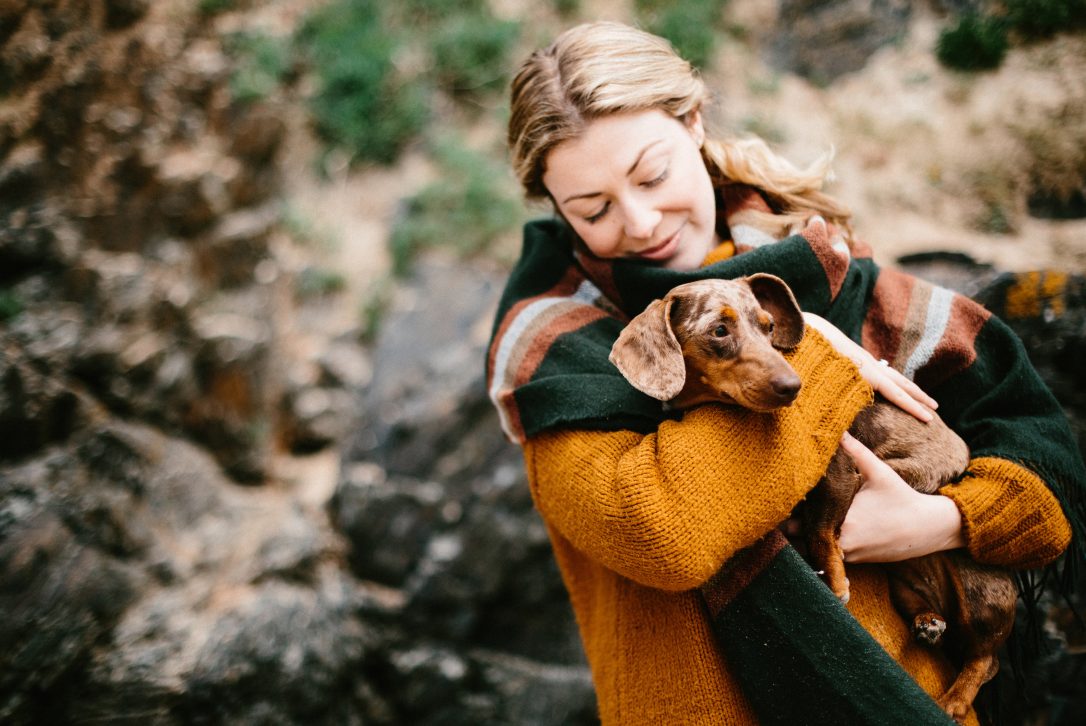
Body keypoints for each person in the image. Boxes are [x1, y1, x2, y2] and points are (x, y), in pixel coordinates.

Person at [486, 21, 1085, 725]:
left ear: (695, 122)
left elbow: (1049, 453)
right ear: (556, 209)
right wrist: (811, 351)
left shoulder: (833, 274)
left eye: (652, 175)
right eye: (594, 209)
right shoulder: (551, 351)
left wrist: (940, 521)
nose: (642, 221)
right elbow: (663, 531)